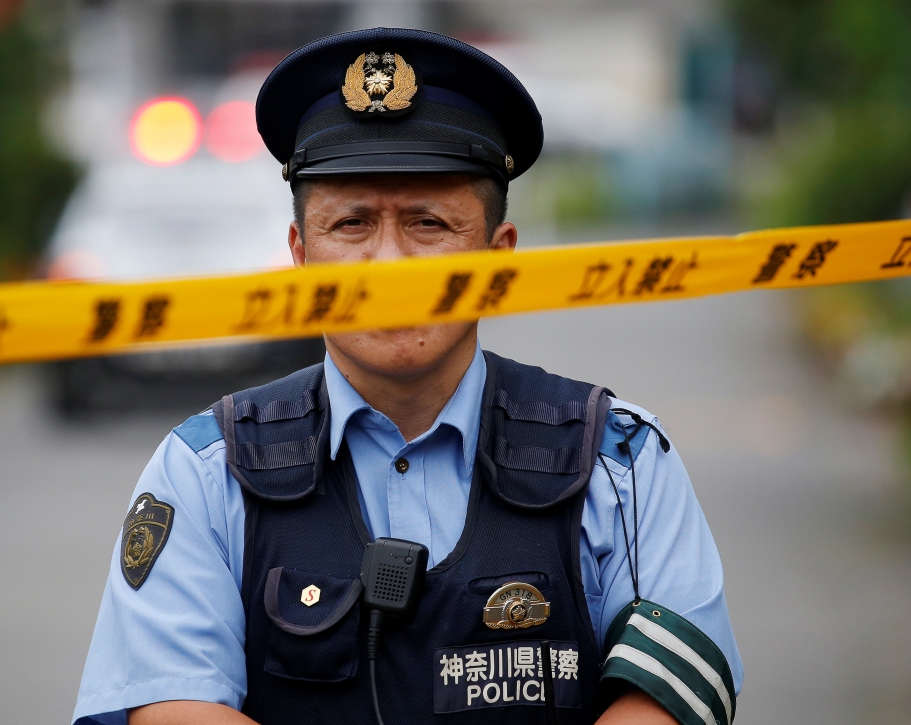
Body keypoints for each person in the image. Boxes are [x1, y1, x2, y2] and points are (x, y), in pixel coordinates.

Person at [72, 27, 742, 725]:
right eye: (352, 224)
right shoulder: (204, 474)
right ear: (301, 256)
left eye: (428, 223)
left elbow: (666, 703)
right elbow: (171, 707)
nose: (388, 265)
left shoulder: (621, 463)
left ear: (499, 258)